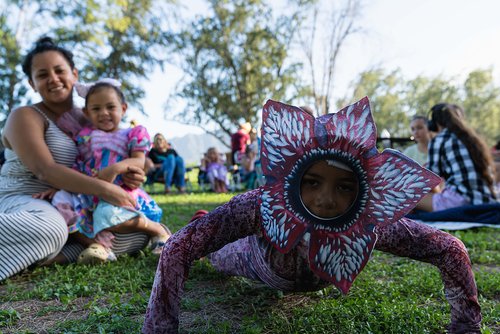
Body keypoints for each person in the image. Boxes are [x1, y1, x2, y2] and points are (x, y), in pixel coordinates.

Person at [143, 98, 482, 334]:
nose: (326, 199)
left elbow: (449, 248)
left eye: (344, 187)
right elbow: (180, 248)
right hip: (252, 259)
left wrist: (466, 327)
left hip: (301, 272)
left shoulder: (372, 222)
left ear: (365, 190)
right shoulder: (260, 206)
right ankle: (201, 216)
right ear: (292, 176)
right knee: (214, 250)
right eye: (313, 182)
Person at [0, 37, 150, 280]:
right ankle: (59, 246)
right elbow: (44, 170)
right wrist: (105, 189)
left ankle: (60, 252)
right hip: (24, 200)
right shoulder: (25, 116)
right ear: (32, 82)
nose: (54, 79)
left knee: (136, 233)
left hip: (74, 202)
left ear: (75, 74)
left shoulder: (91, 117)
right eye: (42, 74)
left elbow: (117, 153)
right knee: (51, 228)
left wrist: (132, 172)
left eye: (60, 70)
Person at [34, 80, 170, 262]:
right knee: (60, 202)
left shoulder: (132, 134)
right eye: (96, 109)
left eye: (110, 107)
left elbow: (139, 160)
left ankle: (157, 230)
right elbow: (80, 165)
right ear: (86, 113)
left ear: (123, 108)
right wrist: (61, 188)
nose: (104, 113)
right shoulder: (85, 137)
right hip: (90, 189)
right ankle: (97, 246)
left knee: (106, 214)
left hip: (120, 190)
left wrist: (114, 169)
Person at [416, 103, 498, 212]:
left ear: (434, 123)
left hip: (460, 202)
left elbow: (429, 179)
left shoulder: (440, 139)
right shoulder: (473, 139)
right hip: (487, 200)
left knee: (409, 198)